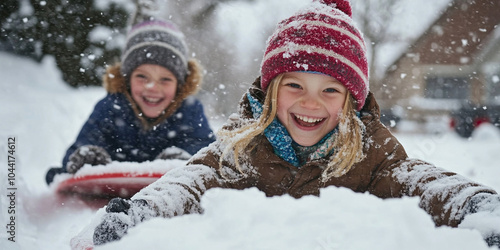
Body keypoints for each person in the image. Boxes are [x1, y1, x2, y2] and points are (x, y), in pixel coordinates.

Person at [90, 0, 500, 248]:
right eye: (295, 85)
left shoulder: (371, 152)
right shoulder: (242, 148)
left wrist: (475, 206)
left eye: (330, 91)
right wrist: (142, 211)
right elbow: (193, 179)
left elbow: (420, 180)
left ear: (352, 103)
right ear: (270, 91)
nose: (309, 102)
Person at [45, 17, 215, 184]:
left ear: (180, 85)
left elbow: (209, 156)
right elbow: (80, 147)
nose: (152, 87)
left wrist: (185, 158)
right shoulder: (111, 107)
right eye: (142, 76)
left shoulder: (189, 111)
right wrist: (86, 157)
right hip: (106, 197)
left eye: (165, 80)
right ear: (126, 79)